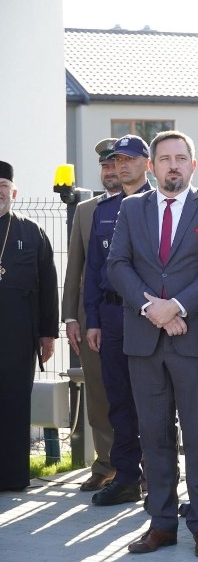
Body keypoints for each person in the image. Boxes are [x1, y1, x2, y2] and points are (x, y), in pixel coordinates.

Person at [107, 130, 198, 557]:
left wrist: (176, 307)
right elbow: (117, 264)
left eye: (181, 158)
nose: (173, 165)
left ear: (193, 166)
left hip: (194, 340)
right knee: (153, 436)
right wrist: (153, 310)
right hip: (144, 341)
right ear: (152, 166)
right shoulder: (130, 208)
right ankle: (161, 524)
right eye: (165, 159)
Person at [84, 134, 152, 507]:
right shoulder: (104, 210)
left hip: (147, 315)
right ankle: (127, 476)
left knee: (155, 401)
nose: (122, 166)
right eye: (116, 160)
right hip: (111, 316)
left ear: (147, 163)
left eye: (130, 159)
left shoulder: (159, 205)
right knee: (120, 401)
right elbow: (95, 269)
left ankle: (160, 478)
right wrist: (92, 319)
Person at [62, 138, 118, 493]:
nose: (110, 171)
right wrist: (70, 317)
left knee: (142, 393)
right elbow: (75, 267)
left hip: (136, 313)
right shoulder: (86, 210)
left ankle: (143, 464)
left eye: (115, 164)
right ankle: (106, 463)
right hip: (92, 314)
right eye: (105, 166)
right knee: (98, 392)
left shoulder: (146, 204)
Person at [0, 160, 59, 492]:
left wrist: (48, 333)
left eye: (3, 186)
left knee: (14, 403)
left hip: (18, 336)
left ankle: (12, 477)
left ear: (14, 192)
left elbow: (48, 285)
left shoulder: (31, 232)